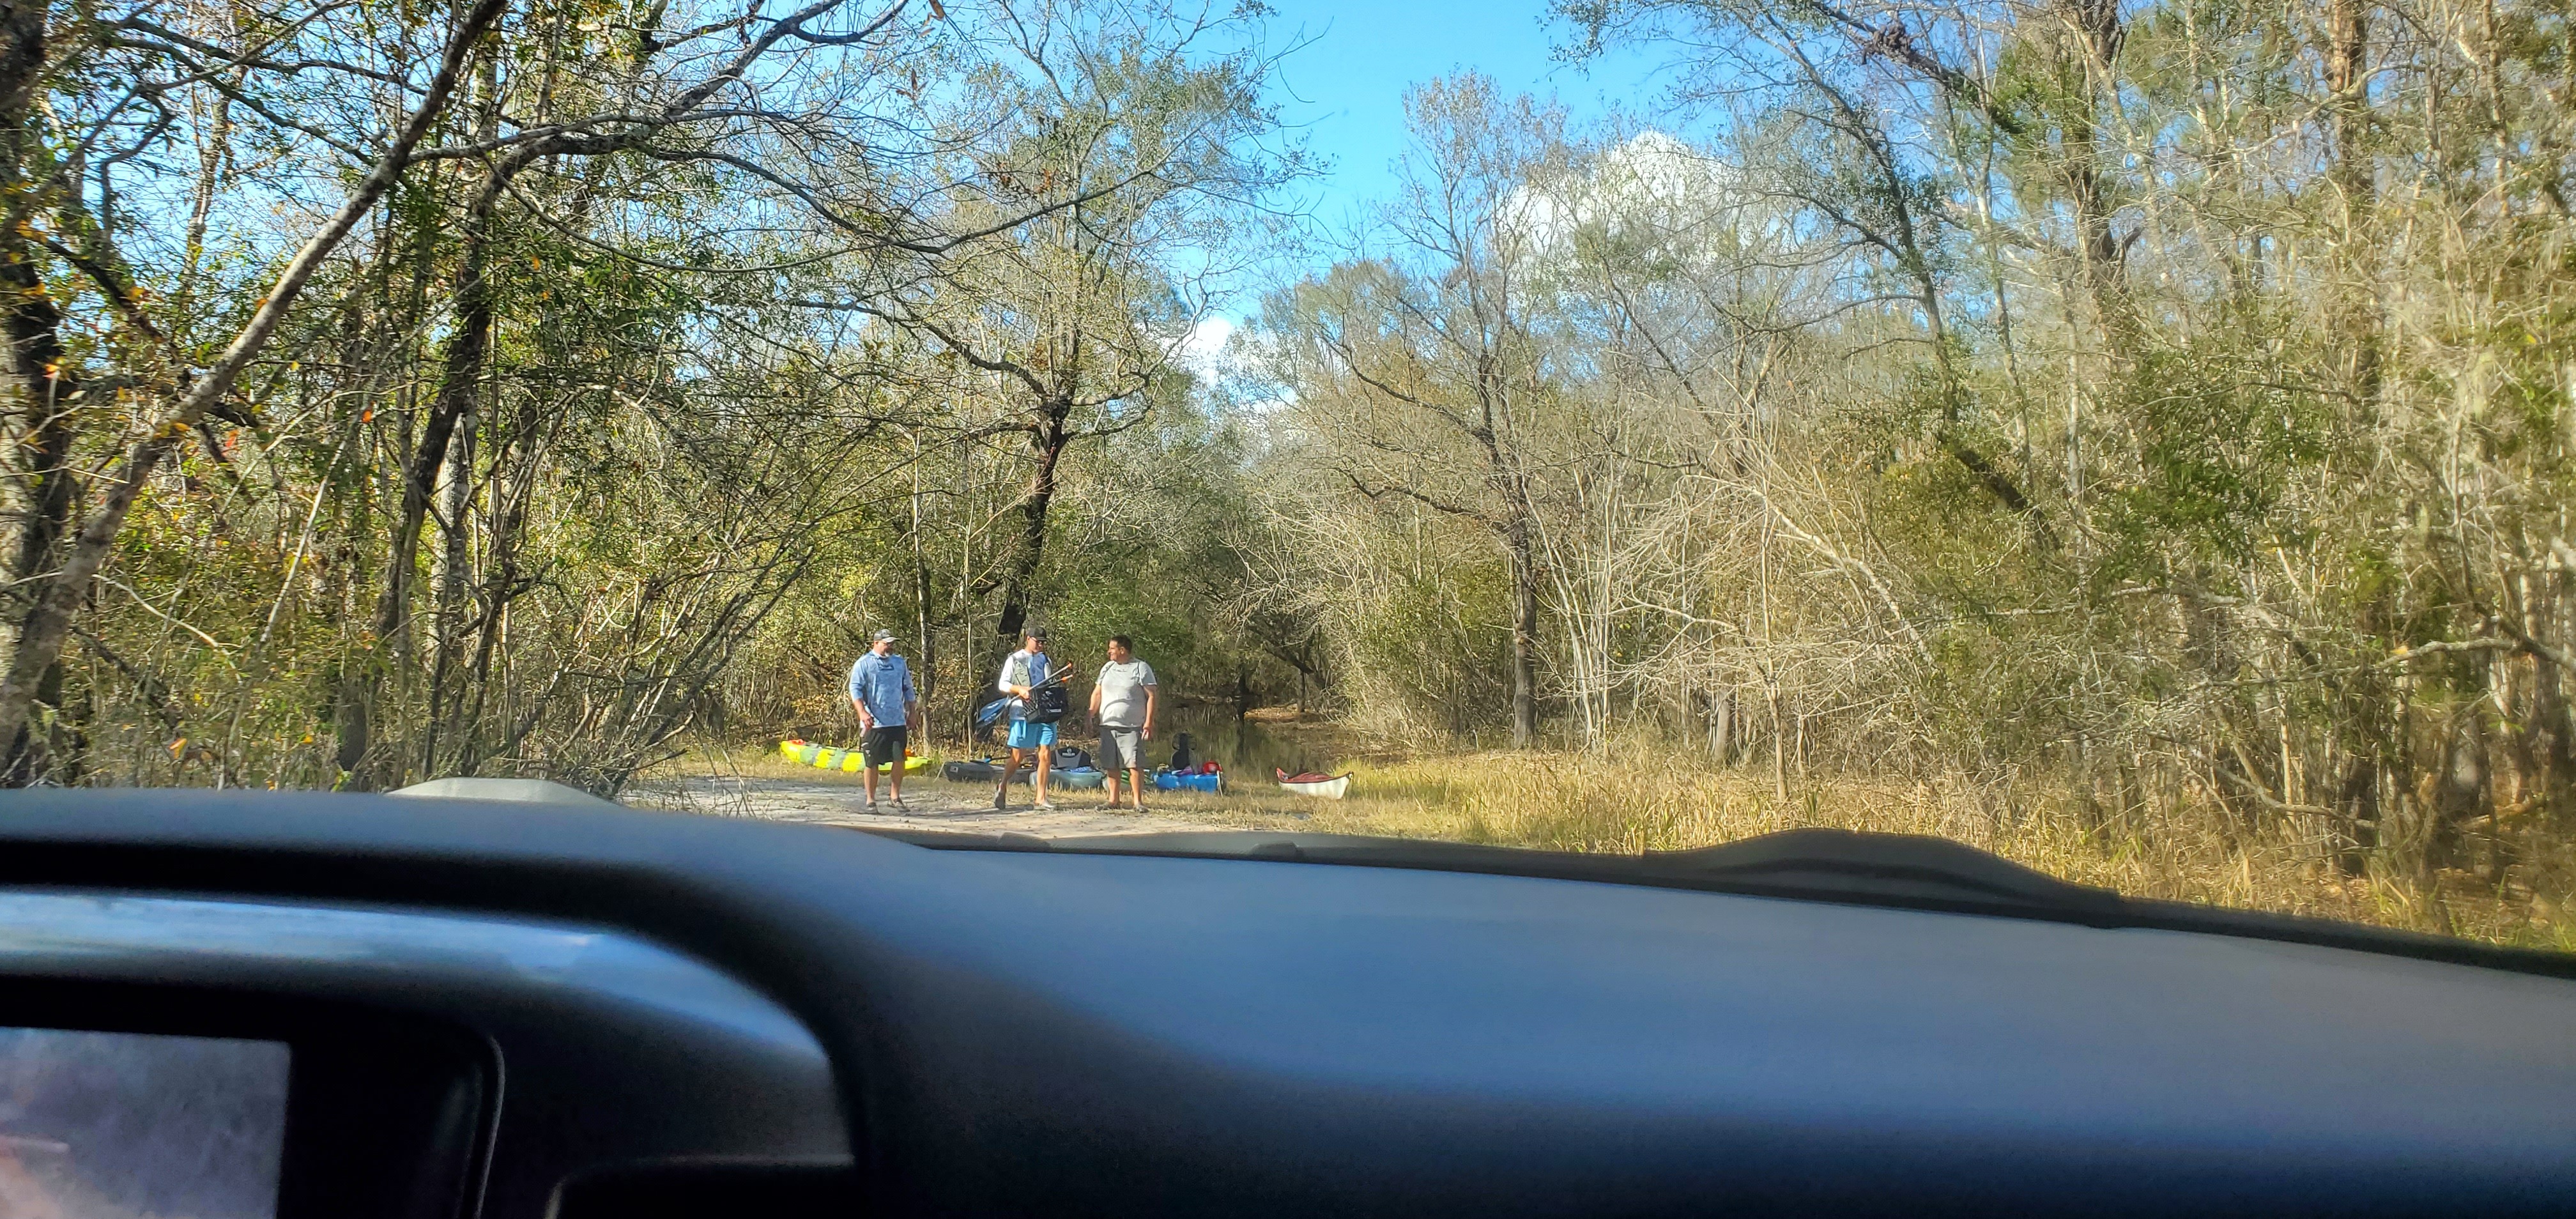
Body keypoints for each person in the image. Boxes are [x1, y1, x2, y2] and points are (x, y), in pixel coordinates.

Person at [847, 629, 918, 811]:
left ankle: (895, 797)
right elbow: (855, 690)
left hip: (897, 720)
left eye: (892, 643)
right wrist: (862, 712)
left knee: (899, 758)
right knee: (872, 761)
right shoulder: (864, 663)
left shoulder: (899, 663)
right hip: (874, 722)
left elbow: (908, 688)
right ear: (876, 643)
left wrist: (912, 712)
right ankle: (871, 800)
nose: (890, 646)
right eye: (886, 643)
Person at [1090, 635, 1158, 811]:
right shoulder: (1107, 668)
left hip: (1132, 726)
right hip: (1108, 724)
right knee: (1111, 764)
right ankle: (1114, 800)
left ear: (1122, 650)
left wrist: (1149, 723)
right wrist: (1090, 713)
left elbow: (1151, 696)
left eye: (1112, 648)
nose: (1108, 652)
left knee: (1134, 764)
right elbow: (1097, 693)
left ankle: (1138, 802)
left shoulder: (1140, 668)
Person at [992, 628, 1058, 809]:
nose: (1041, 645)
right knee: (1018, 755)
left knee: (1045, 753)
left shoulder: (1046, 660)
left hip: (1044, 711)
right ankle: (1003, 785)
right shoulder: (1015, 659)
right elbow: (1003, 684)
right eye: (1038, 641)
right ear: (1028, 639)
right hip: (1022, 712)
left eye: (1044, 642)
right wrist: (1019, 689)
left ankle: (1041, 797)